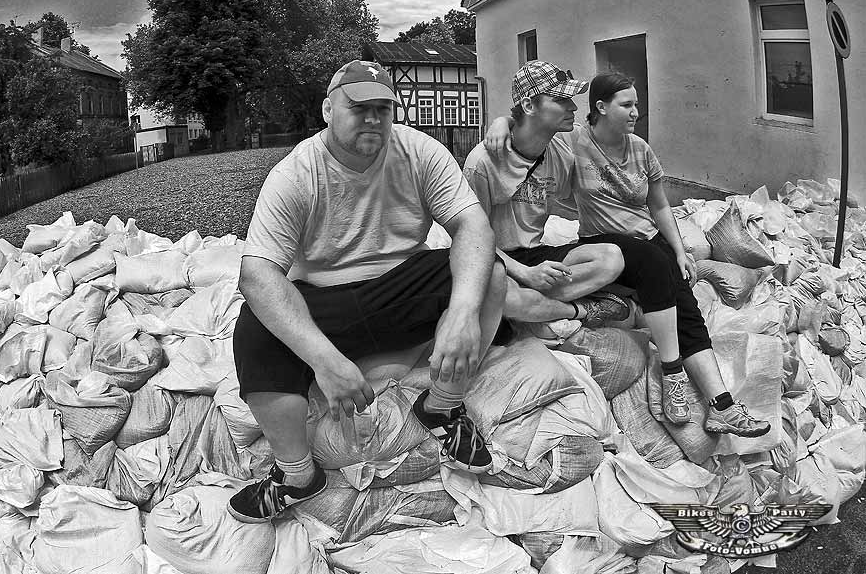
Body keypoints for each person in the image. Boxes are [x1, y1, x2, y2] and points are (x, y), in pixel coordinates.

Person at [228, 60, 506, 524]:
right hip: (324, 301)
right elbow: (257, 273)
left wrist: (461, 312)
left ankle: (442, 406)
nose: (374, 118)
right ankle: (296, 475)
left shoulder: (420, 152)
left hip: (398, 290)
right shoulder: (297, 173)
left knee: (490, 276)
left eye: (383, 108)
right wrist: (324, 360)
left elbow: (472, 224)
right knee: (256, 325)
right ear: (327, 109)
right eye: (359, 107)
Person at [483, 66, 769, 438]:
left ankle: (721, 405)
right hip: (602, 240)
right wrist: (499, 122)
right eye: (628, 104)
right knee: (653, 265)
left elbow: (660, 206)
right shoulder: (572, 142)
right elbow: (530, 126)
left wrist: (682, 251)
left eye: (638, 105)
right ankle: (672, 370)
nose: (636, 112)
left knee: (683, 300)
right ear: (600, 107)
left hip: (647, 242)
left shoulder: (641, 149)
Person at [463, 61, 630, 330]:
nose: (573, 108)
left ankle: (532, 307)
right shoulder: (482, 162)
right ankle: (580, 309)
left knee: (611, 257)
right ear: (529, 106)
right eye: (561, 100)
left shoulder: (560, 152)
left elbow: (578, 202)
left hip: (536, 255)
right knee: (499, 293)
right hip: (495, 261)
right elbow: (470, 241)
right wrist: (526, 274)